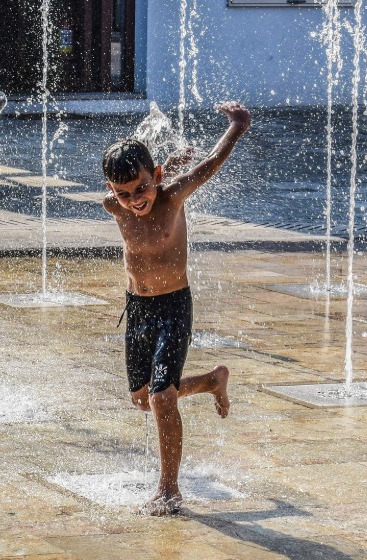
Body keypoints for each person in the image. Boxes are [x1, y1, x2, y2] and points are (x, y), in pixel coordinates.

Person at [102, 101, 251, 516]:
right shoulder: (112, 206)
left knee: (162, 399)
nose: (135, 200)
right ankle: (211, 381)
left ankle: (169, 489)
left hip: (173, 307)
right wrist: (161, 165)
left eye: (142, 188)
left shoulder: (172, 197)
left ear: (159, 178)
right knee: (143, 397)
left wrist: (237, 127)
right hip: (137, 309)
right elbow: (127, 188)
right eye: (124, 193)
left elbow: (212, 163)